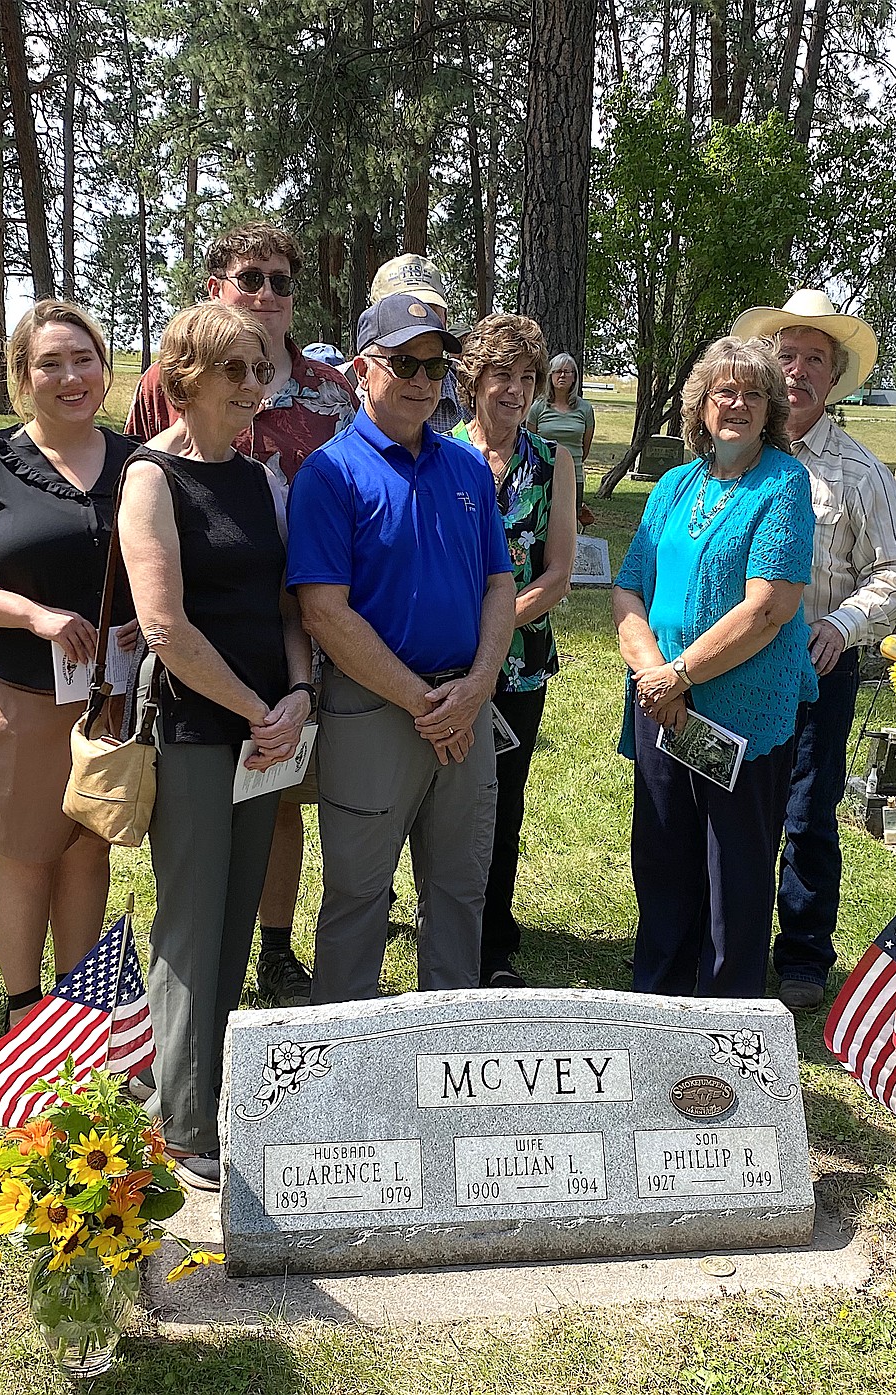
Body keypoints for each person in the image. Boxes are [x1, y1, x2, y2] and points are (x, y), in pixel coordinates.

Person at [127, 222, 356, 1010]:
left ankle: (263, 979)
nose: (265, 293)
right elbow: (163, 612)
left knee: (265, 841)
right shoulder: (160, 426)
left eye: (279, 282)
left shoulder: (304, 427)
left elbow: (312, 564)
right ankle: (185, 1102)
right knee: (196, 899)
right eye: (248, 278)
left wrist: (299, 688)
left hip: (288, 674)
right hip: (200, 690)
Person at [117, 301, 312, 1189]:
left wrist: (298, 694)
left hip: (271, 732)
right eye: (233, 370)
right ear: (182, 379)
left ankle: (215, 1089)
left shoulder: (266, 479)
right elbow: (164, 625)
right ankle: (182, 1121)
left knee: (236, 914)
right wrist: (253, 707)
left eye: (259, 371)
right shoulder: (150, 479)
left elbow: (288, 607)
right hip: (200, 731)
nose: (252, 386)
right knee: (191, 922)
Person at [287, 292, 516, 1004]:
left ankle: (446, 1062)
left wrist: (477, 687)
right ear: (363, 368)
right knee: (358, 894)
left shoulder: (469, 468)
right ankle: (341, 1064)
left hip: (466, 708)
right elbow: (323, 613)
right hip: (377, 710)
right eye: (404, 363)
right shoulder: (329, 474)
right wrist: (424, 702)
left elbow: (500, 586)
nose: (422, 379)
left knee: (457, 891)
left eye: (435, 364)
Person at [0, 301, 138, 1031]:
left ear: (105, 369)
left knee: (87, 846)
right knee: (25, 852)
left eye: (84, 359)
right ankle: (24, 1012)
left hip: (109, 695)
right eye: (50, 362)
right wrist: (35, 615)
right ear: (21, 375)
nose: (70, 376)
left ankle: (79, 1007)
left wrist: (149, 619)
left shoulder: (138, 462)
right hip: (15, 690)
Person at [611, 335, 818, 999]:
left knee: (735, 872)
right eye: (724, 391)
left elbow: (768, 608)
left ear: (770, 411)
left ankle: (728, 1016)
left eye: (754, 393)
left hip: (741, 712)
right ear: (699, 406)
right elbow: (628, 587)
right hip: (659, 705)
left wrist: (682, 676)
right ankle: (661, 1000)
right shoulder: (674, 484)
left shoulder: (783, 482)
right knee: (664, 856)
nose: (738, 403)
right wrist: (654, 676)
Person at [731, 290, 896, 1010]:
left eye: (816, 359)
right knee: (739, 804)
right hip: (737, 668)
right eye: (788, 356)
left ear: (835, 378)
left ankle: (804, 955)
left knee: (808, 813)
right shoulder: (739, 451)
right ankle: (733, 940)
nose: (800, 371)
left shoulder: (858, 470)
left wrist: (841, 623)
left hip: (817, 668)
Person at [452, 315, 576, 989]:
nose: (516, 390)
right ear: (474, 380)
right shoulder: (438, 453)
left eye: (527, 378)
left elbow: (557, 572)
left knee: (502, 804)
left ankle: (494, 944)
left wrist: (494, 636)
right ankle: (444, 927)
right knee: (445, 802)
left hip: (520, 668)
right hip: (441, 662)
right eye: (503, 375)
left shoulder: (553, 461)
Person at [368, 254, 465, 433]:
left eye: (431, 311)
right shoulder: (339, 396)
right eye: (401, 312)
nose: (420, 321)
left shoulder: (471, 396)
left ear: (445, 319)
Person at [527, 353, 595, 508]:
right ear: (550, 376)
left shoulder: (585, 409)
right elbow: (531, 444)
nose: (562, 375)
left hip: (574, 476)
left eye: (567, 371)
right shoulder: (537, 407)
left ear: (574, 377)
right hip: (542, 476)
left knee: (569, 527)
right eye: (557, 371)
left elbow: (585, 449)